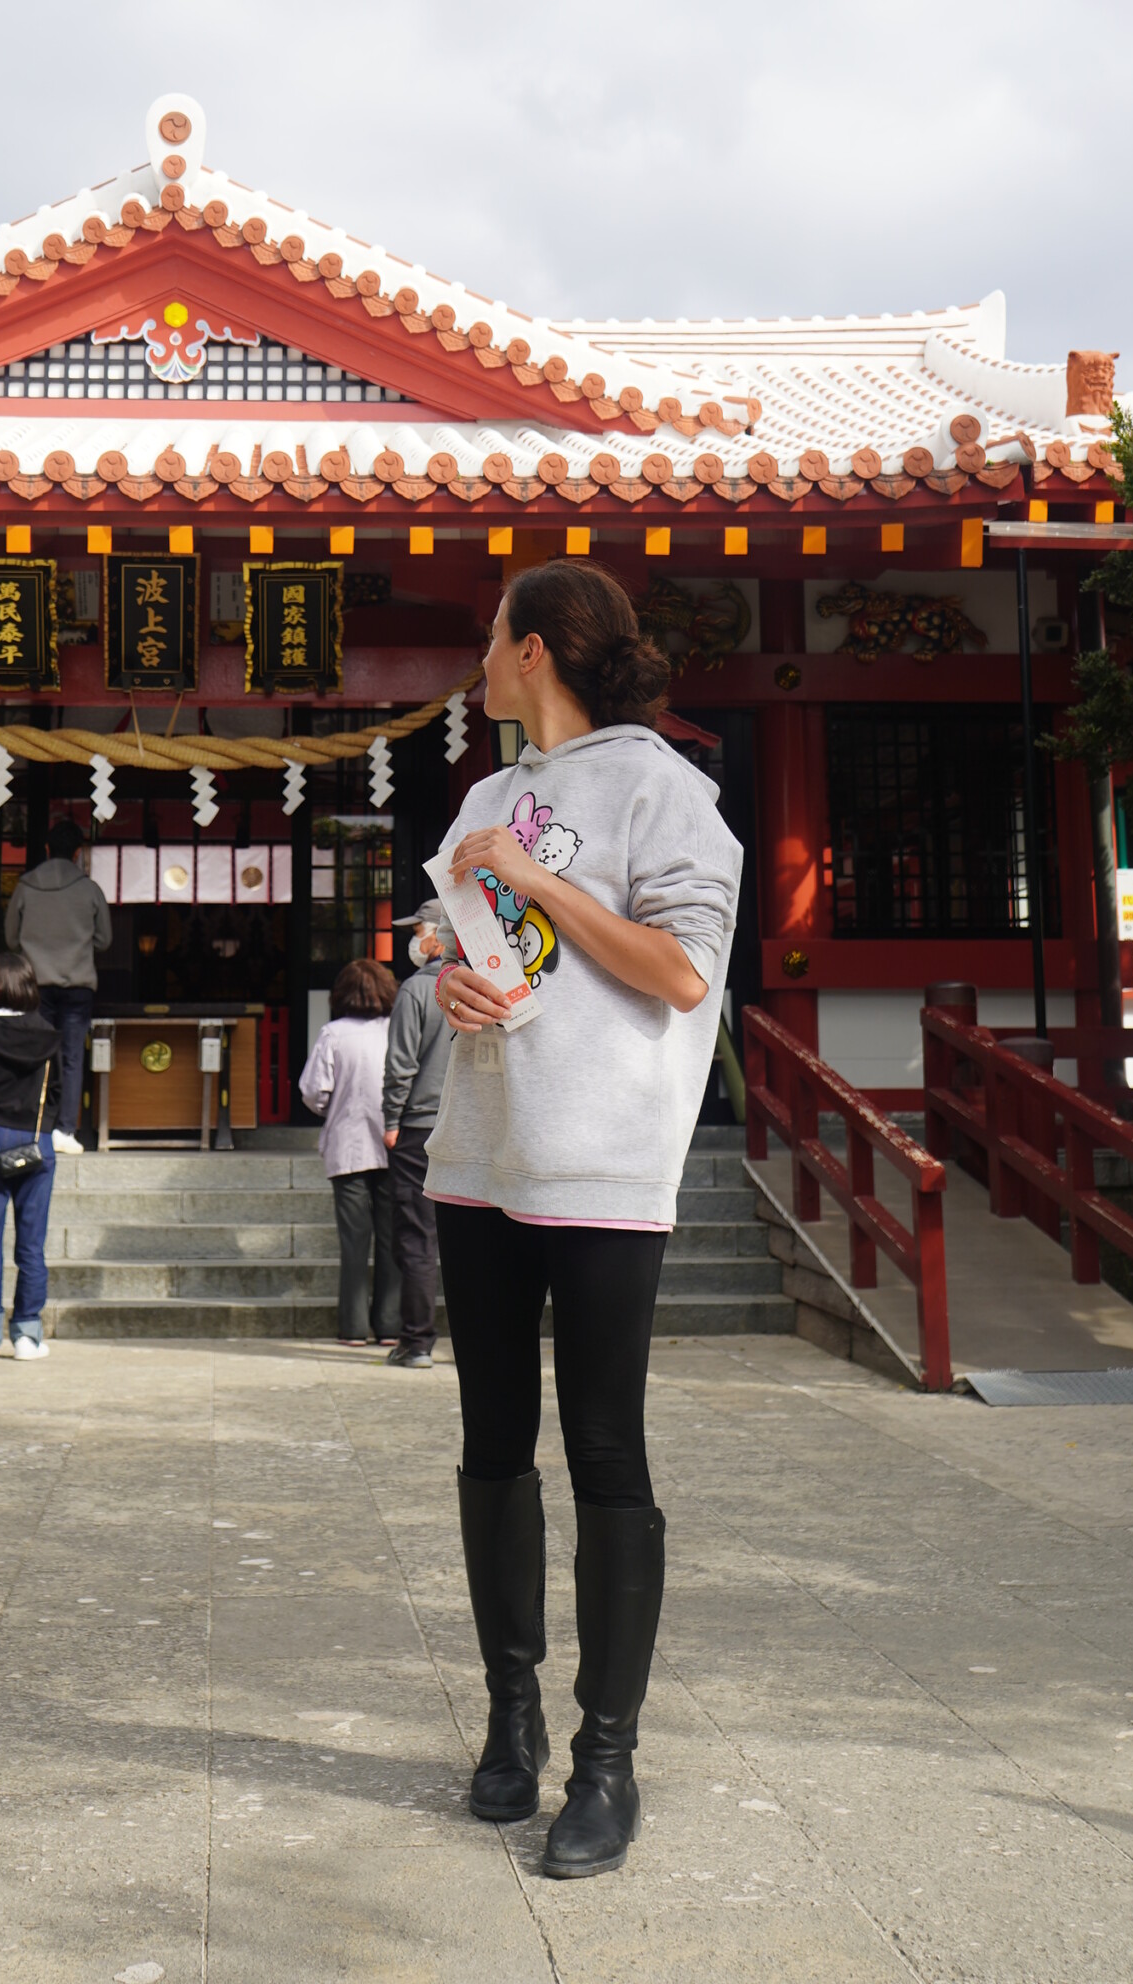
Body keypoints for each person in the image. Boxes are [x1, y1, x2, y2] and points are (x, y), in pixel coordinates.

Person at [425, 560, 741, 1882]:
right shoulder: (486, 797)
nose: (478, 664)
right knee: (492, 1445)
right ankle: (507, 1720)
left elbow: (676, 972)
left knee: (606, 1451)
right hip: (480, 1150)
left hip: (603, 1165)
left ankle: (603, 1758)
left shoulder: (662, 790)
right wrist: (451, 981)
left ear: (538, 652)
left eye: (492, 643)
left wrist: (540, 886)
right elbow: (467, 942)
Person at [298, 958, 401, 1346]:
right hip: (394, 1146)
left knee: (354, 1241)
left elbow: (313, 1091)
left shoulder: (333, 1033)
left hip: (347, 1147)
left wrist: (334, 1107)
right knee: (393, 1239)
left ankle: (353, 1326)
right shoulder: (396, 1029)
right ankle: (390, 1323)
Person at [0, 948, 60, 1363]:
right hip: (36, 1139)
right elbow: (58, 1092)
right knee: (32, 1244)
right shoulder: (48, 1033)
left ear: (0, 984)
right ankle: (26, 1333)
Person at [380, 898, 458, 1370]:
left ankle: (417, 1340)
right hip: (465, 1127)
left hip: (417, 1127)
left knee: (415, 1237)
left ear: (436, 936)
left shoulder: (416, 991)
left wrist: (390, 1119)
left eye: (418, 931)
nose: (414, 940)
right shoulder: (477, 984)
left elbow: (400, 1066)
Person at [4, 818, 111, 1154]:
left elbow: (10, 938)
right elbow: (105, 939)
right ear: (78, 853)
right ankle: (66, 1129)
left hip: (35, 983)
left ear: (47, 850)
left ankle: (38, 1125)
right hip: (77, 984)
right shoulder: (89, 889)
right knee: (71, 1057)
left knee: (35, 1054)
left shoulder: (25, 886)